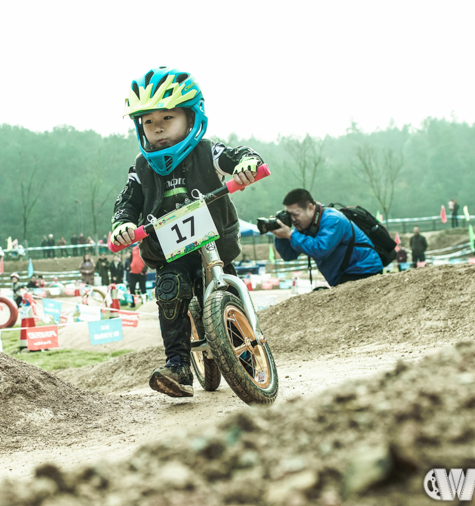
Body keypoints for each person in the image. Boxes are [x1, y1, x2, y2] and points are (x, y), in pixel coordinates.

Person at [110, 67, 261, 398]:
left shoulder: (207, 151)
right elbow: (127, 204)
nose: (158, 127)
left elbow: (239, 156)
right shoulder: (142, 168)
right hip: (170, 252)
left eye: (168, 117)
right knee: (169, 289)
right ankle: (177, 365)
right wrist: (123, 225)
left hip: (214, 245)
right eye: (149, 122)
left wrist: (245, 165)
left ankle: (247, 353)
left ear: (191, 118)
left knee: (226, 290)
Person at [273, 189, 383, 286]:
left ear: (310, 208)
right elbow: (289, 255)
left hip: (363, 271)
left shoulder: (332, 219)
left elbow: (320, 249)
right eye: (288, 215)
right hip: (345, 275)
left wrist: (290, 235)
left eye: (295, 214)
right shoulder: (306, 225)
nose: (292, 220)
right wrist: (281, 236)